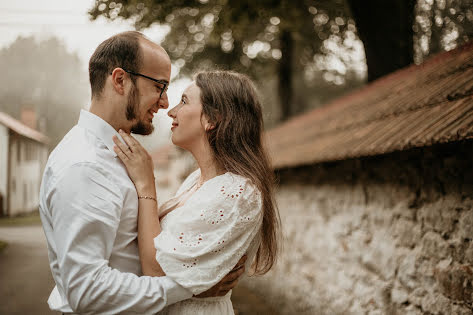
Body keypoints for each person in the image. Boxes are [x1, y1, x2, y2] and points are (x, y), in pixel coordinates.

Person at [39, 31, 245, 314]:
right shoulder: (84, 165)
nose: (164, 102)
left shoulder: (119, 153)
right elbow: (87, 291)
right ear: (120, 80)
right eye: (159, 86)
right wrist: (192, 286)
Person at [112, 70, 281, 314]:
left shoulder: (238, 193)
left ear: (212, 119)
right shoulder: (196, 180)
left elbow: (157, 269)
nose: (171, 111)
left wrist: (146, 183)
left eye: (184, 101)